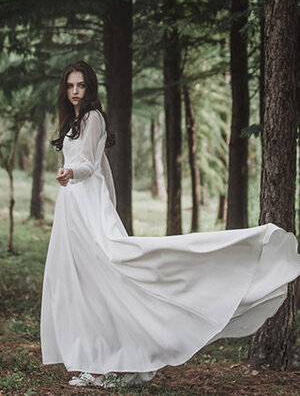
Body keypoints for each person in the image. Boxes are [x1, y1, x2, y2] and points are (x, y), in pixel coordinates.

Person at [40, 60, 300, 389]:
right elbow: (103, 169)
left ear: (90, 89)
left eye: (81, 86)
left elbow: (90, 165)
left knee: (104, 279)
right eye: (70, 86)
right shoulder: (74, 121)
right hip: (73, 207)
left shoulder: (93, 118)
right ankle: (107, 358)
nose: (75, 92)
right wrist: (101, 200)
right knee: (83, 283)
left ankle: (107, 362)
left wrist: (72, 175)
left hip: (83, 201)